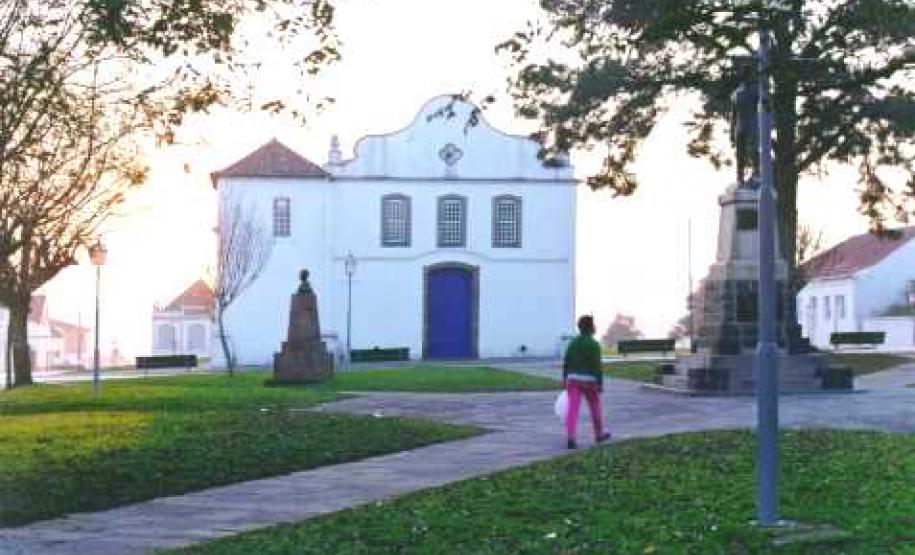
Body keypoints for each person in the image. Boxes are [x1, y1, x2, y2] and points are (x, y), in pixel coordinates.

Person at [562, 315, 611, 449]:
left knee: (573, 409)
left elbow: (566, 362)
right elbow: (596, 366)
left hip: (572, 380)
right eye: (594, 324)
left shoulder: (573, 343)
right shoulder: (594, 345)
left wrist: (564, 378)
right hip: (589, 381)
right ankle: (599, 434)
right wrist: (600, 383)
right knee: (595, 407)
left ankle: (570, 438)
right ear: (591, 328)